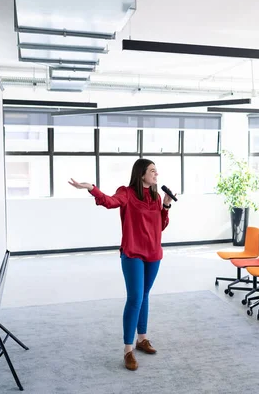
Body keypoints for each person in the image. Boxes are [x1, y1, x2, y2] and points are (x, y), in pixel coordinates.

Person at [68, 158, 175, 371]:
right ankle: (128, 350)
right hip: (133, 252)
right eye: (152, 171)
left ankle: (142, 339)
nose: (156, 175)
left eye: (156, 171)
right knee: (135, 297)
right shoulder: (126, 192)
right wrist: (92, 188)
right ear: (141, 174)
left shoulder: (154, 197)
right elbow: (108, 201)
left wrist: (165, 205)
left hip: (153, 253)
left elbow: (160, 226)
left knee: (144, 295)